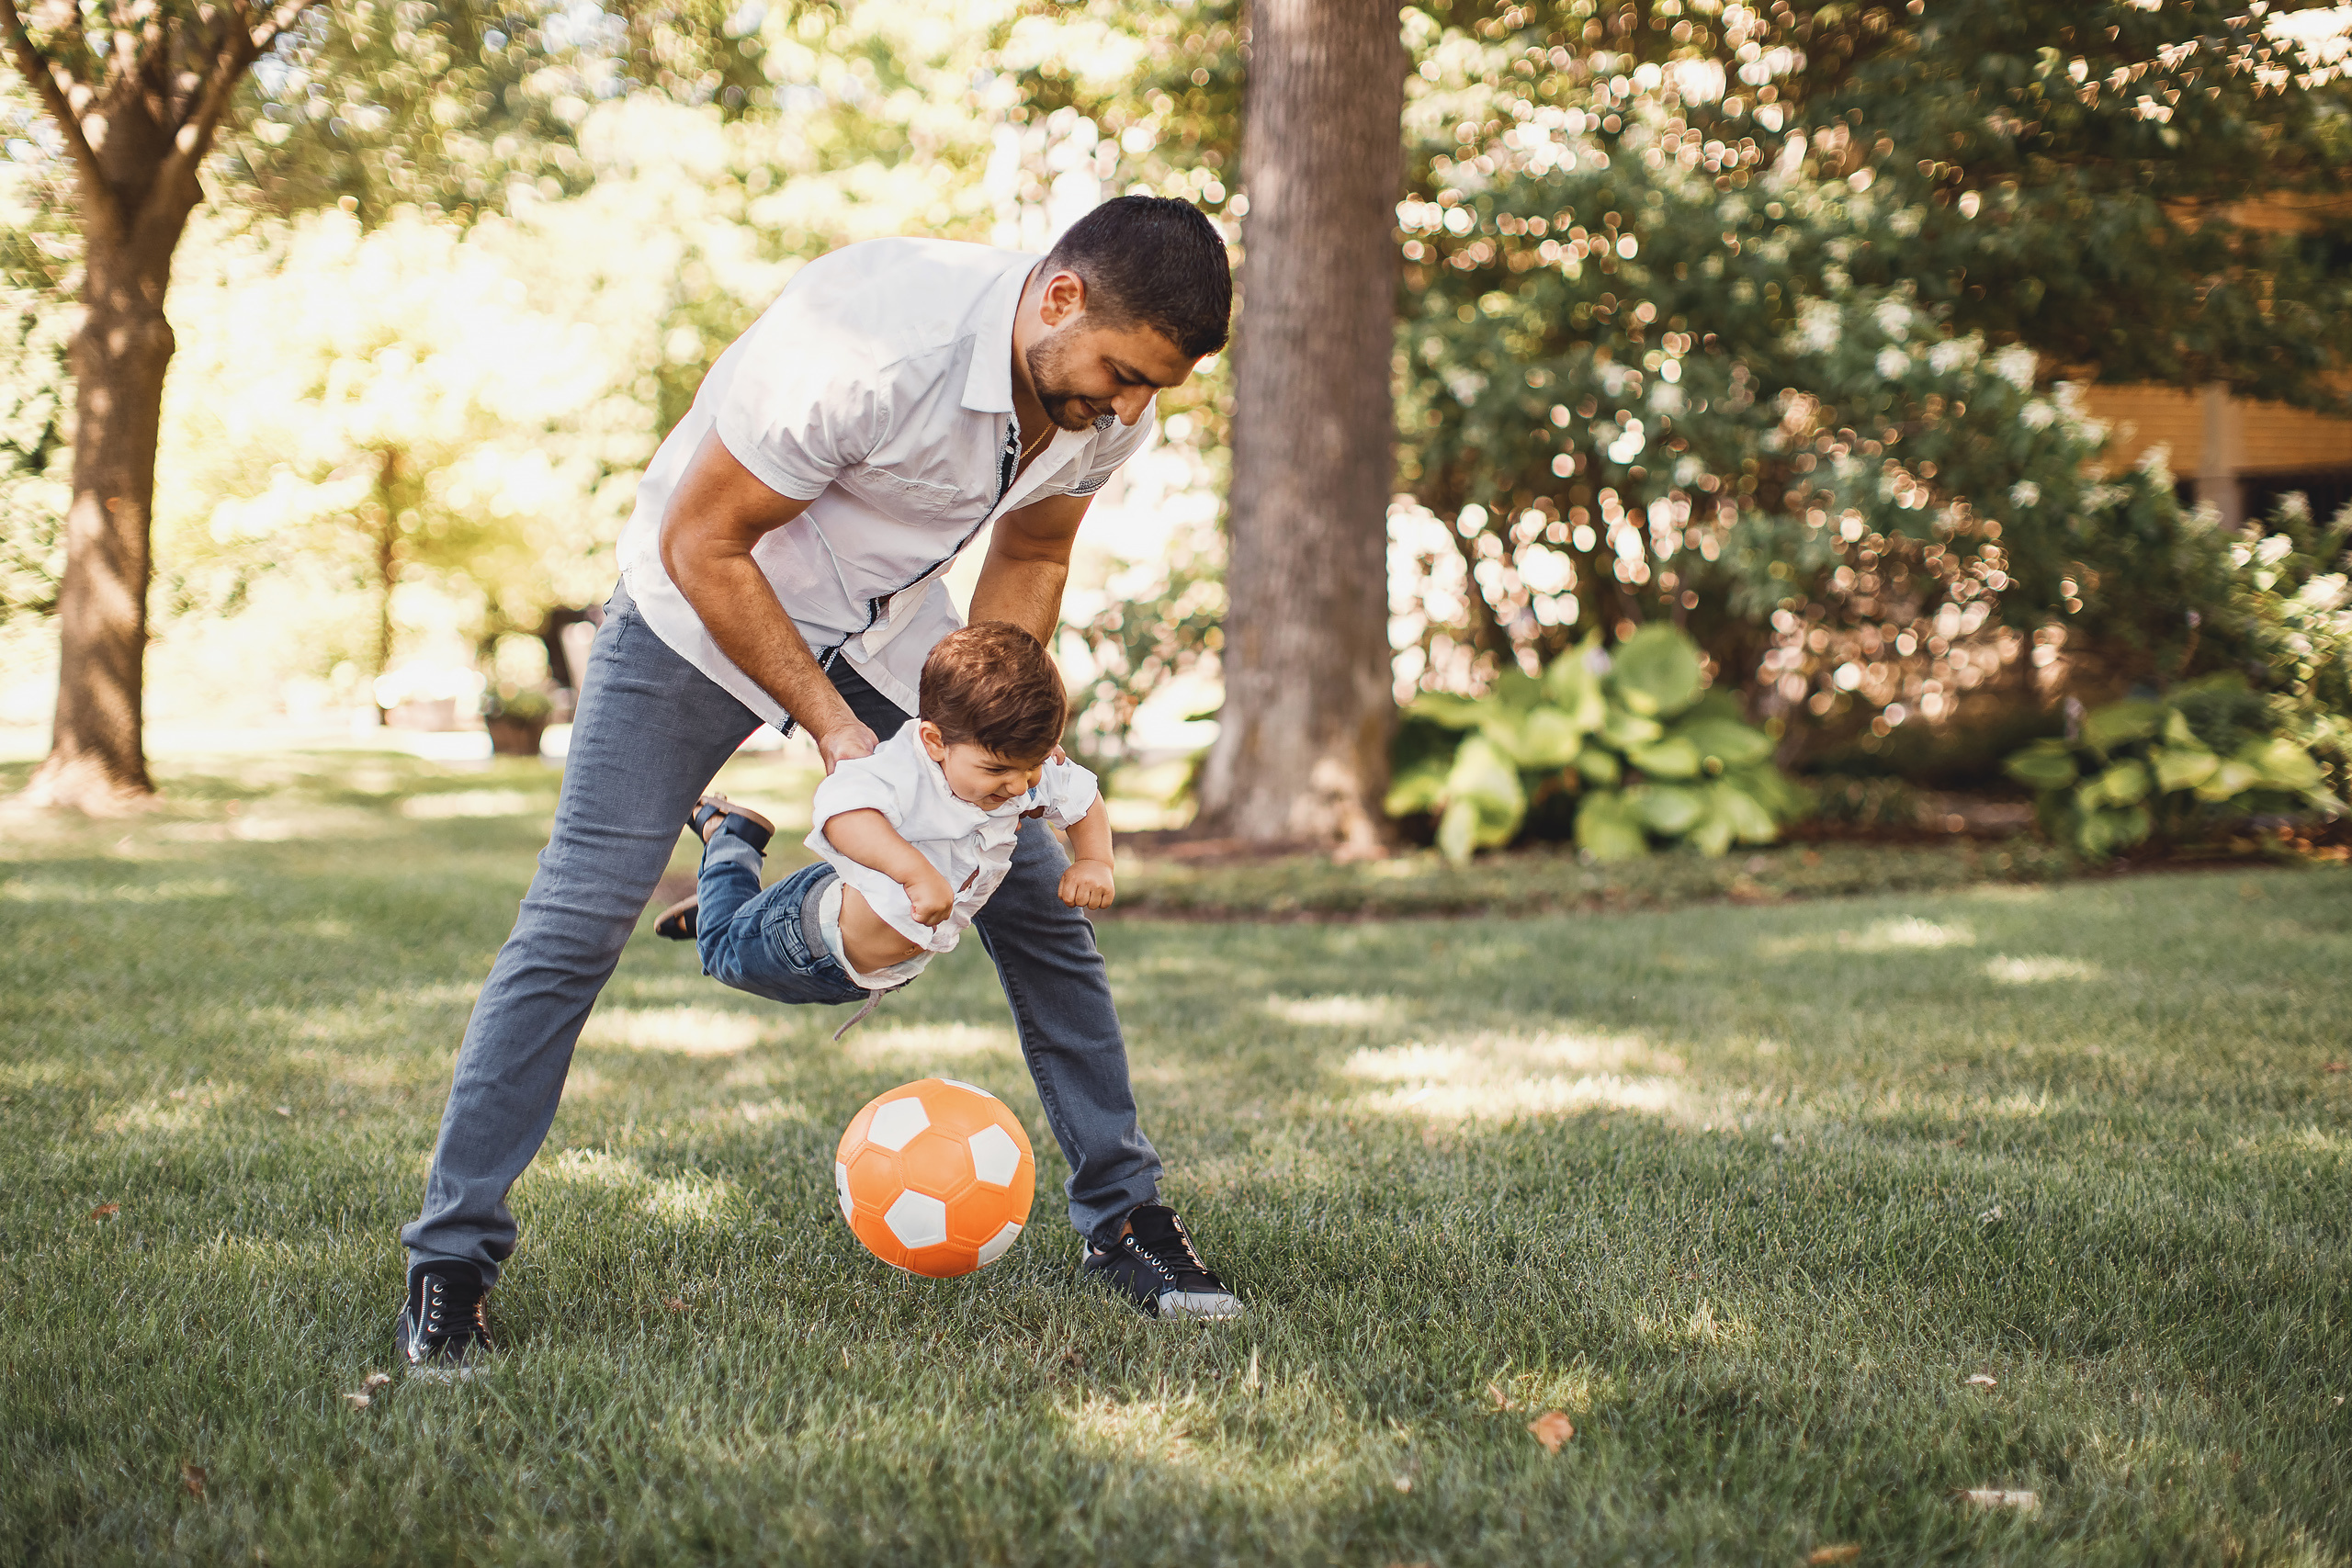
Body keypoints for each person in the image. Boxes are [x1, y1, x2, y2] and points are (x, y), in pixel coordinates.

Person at [395, 196, 1244, 1370]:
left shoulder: (1100, 404)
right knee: (577, 919)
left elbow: (1035, 552)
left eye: (1154, 388)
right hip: (701, 611)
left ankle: (1128, 1220)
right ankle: (451, 1259)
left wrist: (987, 747)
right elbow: (706, 540)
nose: (1128, 409)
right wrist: (837, 732)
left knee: (1039, 899)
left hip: (895, 633)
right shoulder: (874, 338)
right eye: (1119, 374)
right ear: (1059, 299)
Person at [656, 622, 1114, 1040]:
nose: (1018, 785)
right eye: (997, 769)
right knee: (719, 952)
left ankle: (729, 905)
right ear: (936, 742)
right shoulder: (904, 767)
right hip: (809, 936)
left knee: (733, 929)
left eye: (1031, 767)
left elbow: (1082, 797)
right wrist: (916, 874)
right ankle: (729, 838)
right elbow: (841, 817)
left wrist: (1095, 860)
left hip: (870, 971)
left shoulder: (1014, 763)